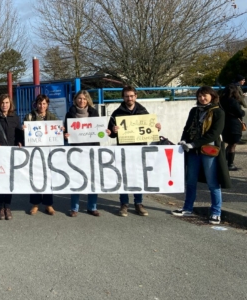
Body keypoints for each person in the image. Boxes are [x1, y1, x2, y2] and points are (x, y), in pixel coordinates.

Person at [172, 86, 231, 224]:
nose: (202, 98)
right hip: (192, 150)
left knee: (213, 183)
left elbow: (214, 134)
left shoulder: (218, 112)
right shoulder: (194, 110)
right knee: (190, 181)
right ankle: (187, 208)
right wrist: (184, 141)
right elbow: (187, 128)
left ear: (212, 96)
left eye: (205, 95)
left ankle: (216, 212)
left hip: (209, 150)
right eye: (199, 96)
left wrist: (194, 144)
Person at [108, 86, 161, 217]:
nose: (129, 98)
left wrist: (156, 128)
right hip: (124, 150)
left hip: (140, 149)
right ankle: (124, 204)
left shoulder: (143, 111)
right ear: (123, 97)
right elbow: (111, 134)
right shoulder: (116, 113)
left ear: (136, 96)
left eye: (131, 96)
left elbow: (150, 129)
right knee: (124, 176)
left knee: (138, 176)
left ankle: (139, 203)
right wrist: (113, 131)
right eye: (126, 96)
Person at [64, 90, 111, 217]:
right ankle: (74, 208)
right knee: (76, 179)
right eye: (79, 98)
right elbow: (65, 134)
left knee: (92, 179)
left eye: (84, 99)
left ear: (88, 100)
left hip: (92, 151)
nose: (82, 101)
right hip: (76, 151)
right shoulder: (70, 114)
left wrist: (106, 132)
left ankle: (92, 207)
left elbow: (100, 132)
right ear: (75, 100)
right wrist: (66, 135)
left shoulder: (94, 113)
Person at [24, 94, 59, 216]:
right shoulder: (29, 117)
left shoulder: (53, 118)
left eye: (44, 103)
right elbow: (25, 135)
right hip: (34, 152)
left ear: (47, 105)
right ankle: (35, 204)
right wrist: (23, 129)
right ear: (36, 104)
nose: (42, 106)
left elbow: (57, 134)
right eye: (40, 103)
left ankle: (48, 204)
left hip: (48, 152)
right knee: (35, 178)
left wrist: (61, 130)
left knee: (48, 178)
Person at [220, 84, 245, 171]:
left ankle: (226, 161)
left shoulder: (221, 100)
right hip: (234, 124)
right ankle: (230, 164)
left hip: (224, 124)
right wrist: (242, 112)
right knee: (232, 145)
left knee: (228, 143)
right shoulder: (233, 101)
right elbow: (240, 113)